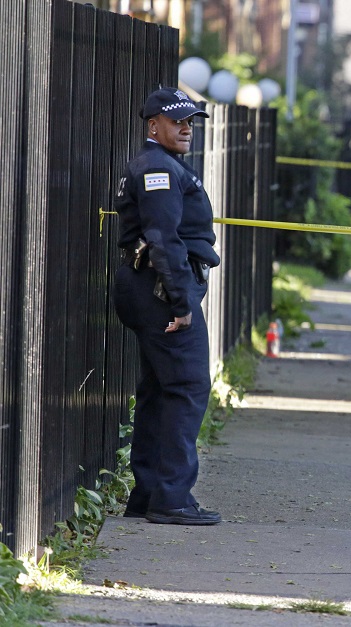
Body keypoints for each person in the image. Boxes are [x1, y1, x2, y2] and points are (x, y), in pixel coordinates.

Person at [113, 87, 222, 526]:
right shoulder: (158, 167)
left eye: (190, 121)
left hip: (149, 286)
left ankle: (148, 495)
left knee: (160, 390)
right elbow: (162, 237)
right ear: (153, 124)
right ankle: (172, 498)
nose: (186, 128)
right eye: (177, 121)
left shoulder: (160, 163)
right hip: (159, 289)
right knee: (188, 387)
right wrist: (180, 301)